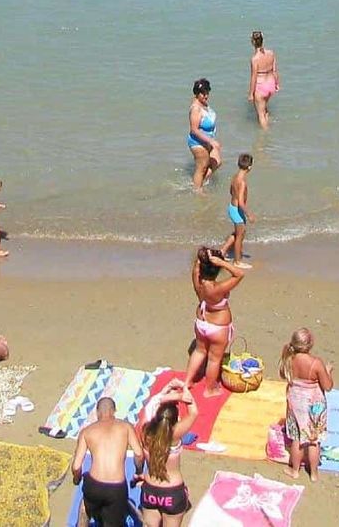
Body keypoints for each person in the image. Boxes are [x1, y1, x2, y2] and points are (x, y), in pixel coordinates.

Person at [72, 396, 144, 527]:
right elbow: (139, 454)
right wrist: (138, 472)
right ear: (114, 411)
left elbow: (76, 466)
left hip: (94, 484)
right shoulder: (126, 427)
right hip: (116, 488)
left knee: (85, 508)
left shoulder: (87, 431)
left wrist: (76, 479)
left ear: (97, 412)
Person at [186, 247, 248, 399]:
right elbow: (240, 274)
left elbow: (196, 266)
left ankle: (187, 382)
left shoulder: (197, 279)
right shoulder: (218, 288)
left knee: (199, 351)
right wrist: (223, 263)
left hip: (201, 321)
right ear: (217, 269)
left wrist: (203, 259)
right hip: (218, 327)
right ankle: (209, 389)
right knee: (214, 358)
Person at [138, 379, 197, 526]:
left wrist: (170, 392)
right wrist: (183, 390)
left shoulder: (145, 431)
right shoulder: (175, 435)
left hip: (150, 490)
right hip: (172, 491)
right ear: (176, 419)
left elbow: (152, 403)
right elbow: (194, 411)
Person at [279, 327, 333, 481]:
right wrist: (328, 371)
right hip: (313, 404)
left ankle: (294, 470)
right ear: (310, 344)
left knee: (297, 438)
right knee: (313, 440)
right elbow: (328, 386)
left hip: (296, 401)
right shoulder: (315, 363)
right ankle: (314, 473)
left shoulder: (289, 359)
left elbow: (283, 374)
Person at [188, 79, 222, 191]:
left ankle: (199, 183)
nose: (206, 96)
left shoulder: (203, 104)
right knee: (202, 167)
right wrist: (211, 141)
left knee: (217, 161)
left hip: (207, 140)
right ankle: (197, 190)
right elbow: (194, 130)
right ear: (197, 94)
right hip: (197, 142)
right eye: (203, 93)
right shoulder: (195, 109)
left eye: (207, 92)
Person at [221, 155, 254, 265]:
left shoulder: (235, 177)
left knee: (237, 233)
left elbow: (231, 191)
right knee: (240, 235)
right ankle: (237, 261)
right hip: (237, 210)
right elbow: (241, 202)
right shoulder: (242, 182)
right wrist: (249, 214)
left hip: (232, 207)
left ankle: (222, 252)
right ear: (249, 167)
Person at [248, 30, 279, 129]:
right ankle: (268, 125)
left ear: (253, 42)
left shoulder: (255, 59)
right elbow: (274, 70)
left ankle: (265, 136)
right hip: (270, 84)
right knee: (265, 109)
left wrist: (250, 94)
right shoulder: (271, 53)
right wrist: (277, 84)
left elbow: (254, 77)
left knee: (260, 114)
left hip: (261, 86)